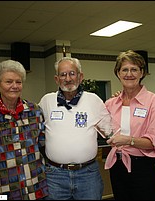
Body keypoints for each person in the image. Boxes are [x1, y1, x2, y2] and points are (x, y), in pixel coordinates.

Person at [0, 60, 48, 200]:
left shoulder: (34, 110)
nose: (14, 86)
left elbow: (43, 145)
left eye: (18, 82)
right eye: (9, 82)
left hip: (36, 188)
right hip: (3, 190)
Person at [38, 57, 110, 200]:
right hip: (55, 176)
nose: (68, 78)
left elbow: (110, 130)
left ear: (80, 76)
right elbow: (35, 130)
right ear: (56, 79)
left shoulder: (93, 100)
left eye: (72, 73)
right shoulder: (46, 101)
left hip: (88, 175)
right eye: (63, 75)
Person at [104, 50, 155, 200]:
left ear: (142, 73)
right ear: (118, 73)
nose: (129, 74)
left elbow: (154, 142)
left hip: (143, 167)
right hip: (117, 166)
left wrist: (128, 140)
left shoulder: (154, 102)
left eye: (134, 69)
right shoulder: (110, 104)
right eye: (124, 69)